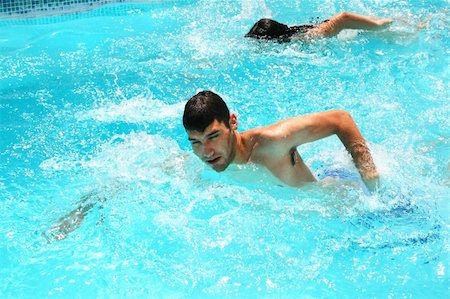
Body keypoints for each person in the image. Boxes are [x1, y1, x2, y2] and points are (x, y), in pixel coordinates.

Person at [183, 90, 379, 190]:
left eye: (214, 136)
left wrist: (369, 173)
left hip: (336, 201)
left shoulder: (272, 142)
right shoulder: (205, 161)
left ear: (233, 122)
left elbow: (340, 119)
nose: (207, 152)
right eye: (196, 142)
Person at [245, 11, 392, 42]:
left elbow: (344, 18)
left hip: (353, 31)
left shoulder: (308, 37)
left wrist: (378, 25)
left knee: (392, 27)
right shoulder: (286, 41)